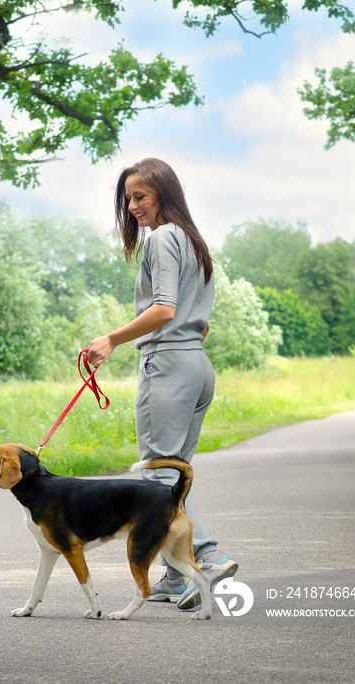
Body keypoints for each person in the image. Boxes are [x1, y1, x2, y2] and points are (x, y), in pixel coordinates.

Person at [87, 157, 237, 610]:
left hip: (168, 364)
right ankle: (175, 576)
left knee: (156, 473)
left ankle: (206, 556)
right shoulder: (193, 240)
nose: (132, 206)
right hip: (196, 364)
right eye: (127, 198)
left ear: (164, 196)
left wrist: (112, 337)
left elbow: (165, 308)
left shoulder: (163, 237)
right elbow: (198, 318)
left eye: (140, 197)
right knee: (173, 475)